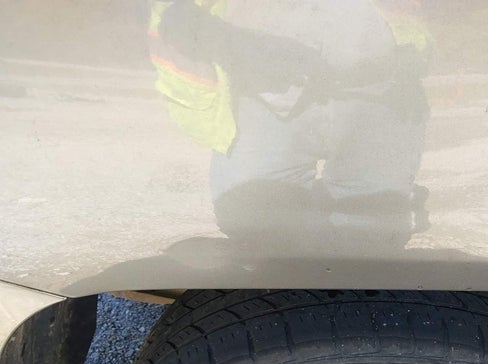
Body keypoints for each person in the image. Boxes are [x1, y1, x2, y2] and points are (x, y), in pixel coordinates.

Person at [149, 0, 432, 248]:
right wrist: (218, 48)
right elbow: (174, 17)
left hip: (375, 94)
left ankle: (357, 208)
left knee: (372, 238)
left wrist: (407, 53)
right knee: (256, 231)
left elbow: (407, 16)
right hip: (262, 97)